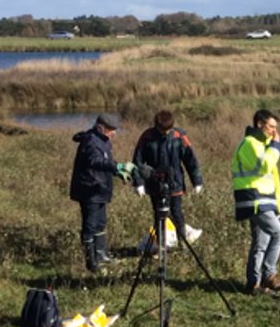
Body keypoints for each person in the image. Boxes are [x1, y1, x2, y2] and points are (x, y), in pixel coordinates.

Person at [231, 109, 280, 296]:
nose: (274, 131)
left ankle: (253, 284)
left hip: (263, 200)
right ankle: (269, 274)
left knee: (261, 244)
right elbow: (264, 166)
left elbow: (273, 179)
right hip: (254, 200)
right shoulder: (251, 143)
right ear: (259, 124)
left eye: (275, 127)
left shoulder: (263, 146)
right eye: (271, 126)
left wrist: (278, 204)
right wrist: (276, 146)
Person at [69, 113, 134, 273]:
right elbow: (95, 161)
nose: (114, 133)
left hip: (100, 188)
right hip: (89, 189)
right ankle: (91, 261)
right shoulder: (91, 141)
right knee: (90, 225)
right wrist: (117, 166)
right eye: (111, 129)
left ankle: (101, 254)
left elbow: (105, 163)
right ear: (101, 127)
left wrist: (117, 172)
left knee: (101, 222)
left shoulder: (104, 141)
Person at [132, 110, 204, 246]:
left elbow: (191, 160)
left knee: (177, 213)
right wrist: (139, 183)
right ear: (156, 126)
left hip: (175, 183)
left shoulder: (179, 136)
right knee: (159, 215)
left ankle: (182, 244)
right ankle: (161, 246)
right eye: (162, 130)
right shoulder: (147, 137)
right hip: (154, 183)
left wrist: (197, 181)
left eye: (168, 130)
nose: (165, 133)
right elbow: (137, 162)